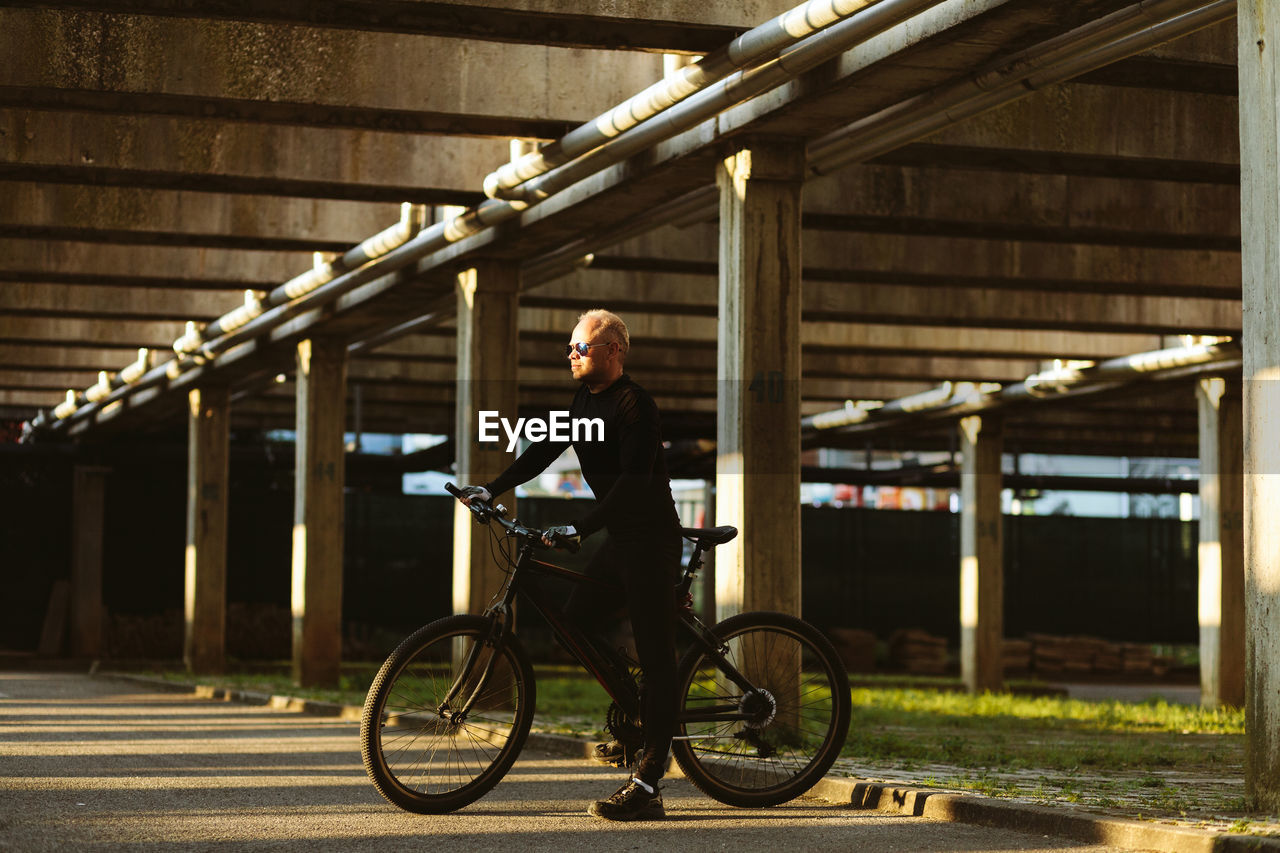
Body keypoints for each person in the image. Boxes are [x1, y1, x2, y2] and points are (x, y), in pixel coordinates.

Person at [456, 308, 681, 822]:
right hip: (622, 540)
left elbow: (634, 483)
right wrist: (489, 488)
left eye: (581, 348)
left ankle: (648, 782)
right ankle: (637, 698)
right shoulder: (583, 400)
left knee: (658, 654)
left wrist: (580, 527)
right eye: (570, 349)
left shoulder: (635, 406)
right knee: (572, 624)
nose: (572, 355)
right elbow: (544, 449)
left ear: (614, 351)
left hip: (651, 543)